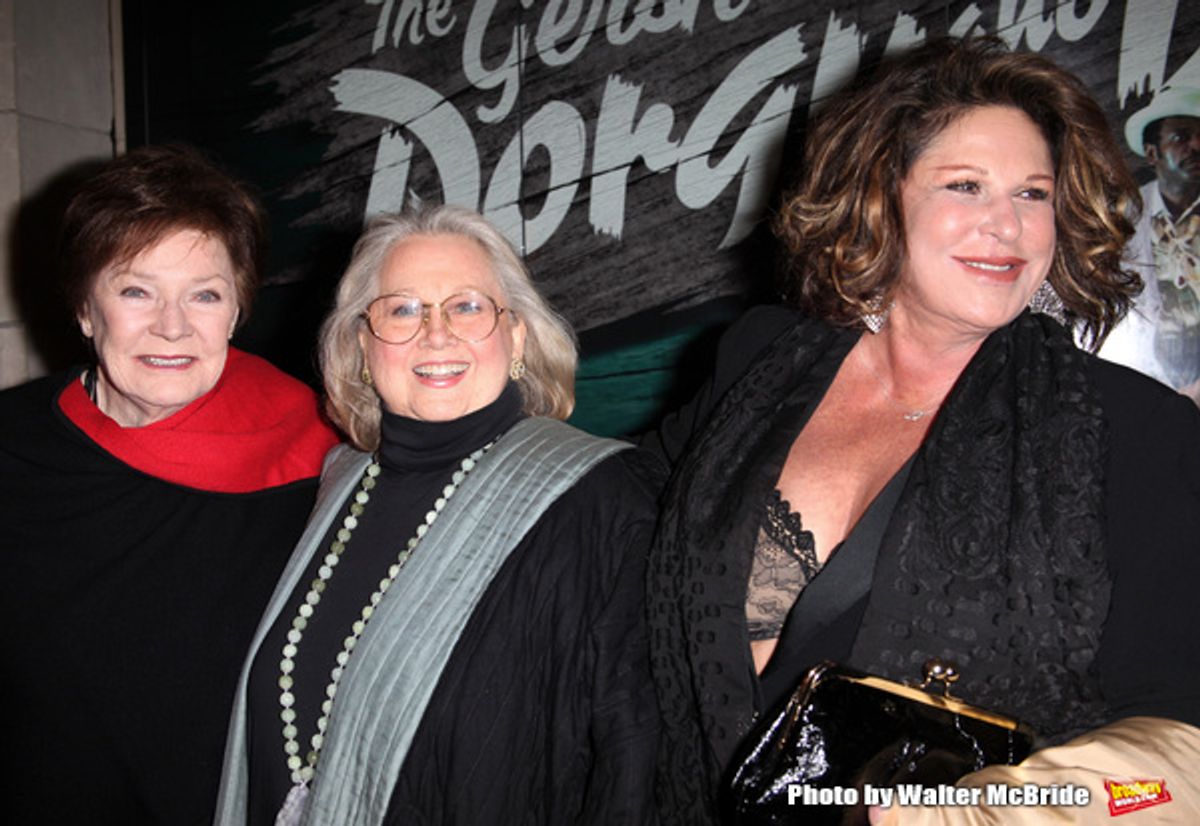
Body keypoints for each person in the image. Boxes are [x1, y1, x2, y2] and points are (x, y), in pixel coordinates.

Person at [645, 38, 1200, 825]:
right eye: (965, 185)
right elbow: (609, 525)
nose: (1006, 226)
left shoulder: (1133, 427)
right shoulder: (763, 360)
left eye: (1033, 194)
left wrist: (963, 818)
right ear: (880, 194)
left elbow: (1178, 741)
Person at [214, 205, 659, 826]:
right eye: (402, 309)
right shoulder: (334, 488)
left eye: (467, 306)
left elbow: (633, 763)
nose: (436, 334)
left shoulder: (601, 502)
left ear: (519, 338)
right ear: (362, 348)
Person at [0, 145, 340, 825]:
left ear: (238, 308)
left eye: (205, 294)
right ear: (85, 309)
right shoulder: (11, 446)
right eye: (135, 291)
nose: (173, 326)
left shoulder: (321, 456)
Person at [1097, 85, 1200, 402]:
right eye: (1181, 137)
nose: (1196, 146)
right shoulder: (1119, 221)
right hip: (1146, 394)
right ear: (1152, 153)